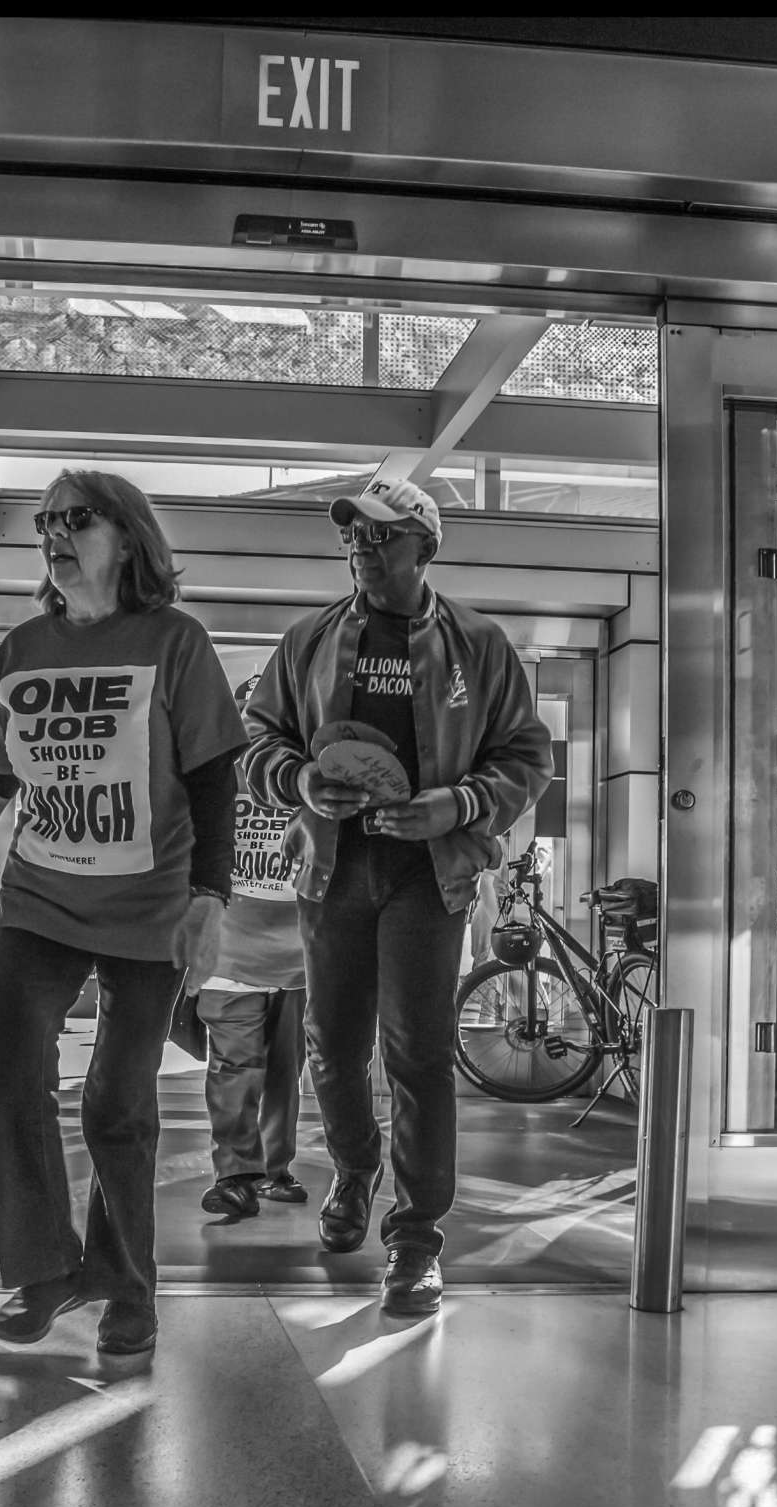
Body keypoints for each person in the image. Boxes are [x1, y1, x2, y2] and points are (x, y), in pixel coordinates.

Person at [0, 470, 244, 1357]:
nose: (56, 535)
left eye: (78, 520)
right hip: (39, 901)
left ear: (127, 538)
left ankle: (125, 1283)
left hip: (152, 910)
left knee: (118, 1105)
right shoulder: (21, 649)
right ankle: (45, 1270)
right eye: (46, 523)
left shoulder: (174, 642)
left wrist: (210, 901)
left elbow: (216, 778)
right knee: (13, 1079)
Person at [241, 475, 552, 1318]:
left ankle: (416, 1240)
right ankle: (353, 1167)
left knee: (417, 1054)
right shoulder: (307, 640)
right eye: (354, 536)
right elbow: (256, 739)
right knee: (332, 1049)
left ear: (425, 546)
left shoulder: (480, 645)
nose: (361, 548)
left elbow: (528, 758)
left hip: (429, 875)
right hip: (333, 870)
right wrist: (299, 778)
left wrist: (457, 805)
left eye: (380, 536)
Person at [193, 696, 309, 1220]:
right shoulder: (213, 776)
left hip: (301, 956)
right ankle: (237, 1175)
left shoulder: (304, 776)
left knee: (286, 1071)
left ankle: (273, 1171)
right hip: (228, 952)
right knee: (234, 1069)